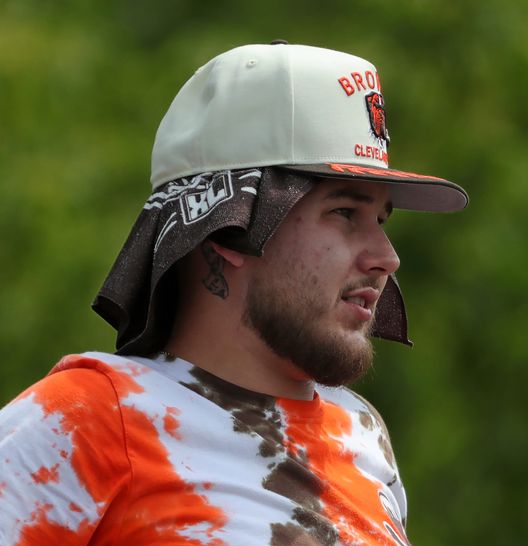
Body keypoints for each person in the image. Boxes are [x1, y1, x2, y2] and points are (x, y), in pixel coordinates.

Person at [0, 42, 467, 545]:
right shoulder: (88, 420)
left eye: (380, 219)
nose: (386, 256)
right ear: (229, 230)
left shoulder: (361, 432)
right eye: (344, 214)